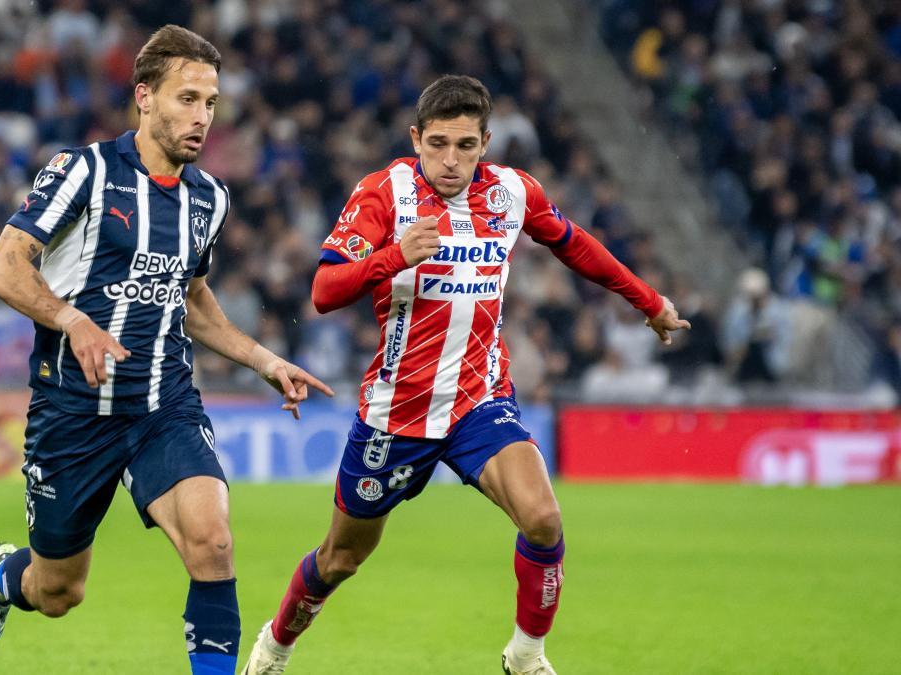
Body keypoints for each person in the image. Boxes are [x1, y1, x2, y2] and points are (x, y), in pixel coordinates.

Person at [241, 75, 690, 675]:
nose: (450, 161)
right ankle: (276, 643)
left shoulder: (513, 193)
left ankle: (526, 655)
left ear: (486, 142)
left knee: (545, 519)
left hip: (480, 400)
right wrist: (394, 255)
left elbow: (574, 243)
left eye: (465, 146)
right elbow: (323, 291)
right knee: (340, 560)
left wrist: (648, 301)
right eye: (438, 145)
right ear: (415, 139)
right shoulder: (383, 193)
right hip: (397, 411)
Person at [0, 25, 333, 675]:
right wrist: (72, 319)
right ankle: (3, 576)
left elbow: (192, 299)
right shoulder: (85, 171)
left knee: (213, 543)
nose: (202, 117)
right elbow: (4, 266)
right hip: (72, 411)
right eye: (187, 99)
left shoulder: (208, 199)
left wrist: (263, 359)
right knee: (58, 591)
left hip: (163, 405)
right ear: (144, 97)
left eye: (211, 103)